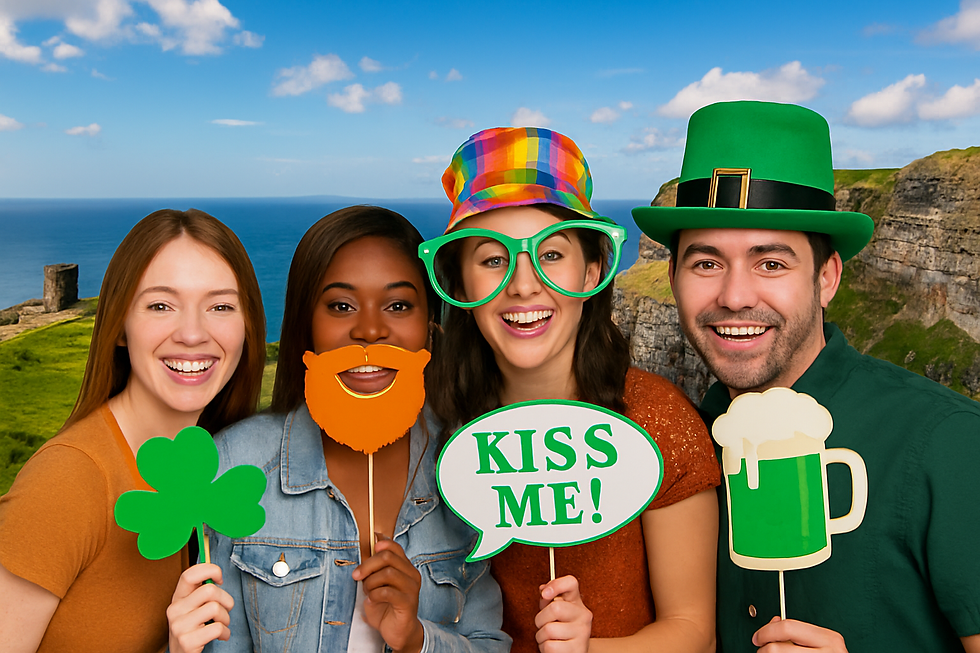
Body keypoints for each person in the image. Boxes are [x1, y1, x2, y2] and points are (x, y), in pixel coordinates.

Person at [632, 100, 980, 653]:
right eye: (706, 263)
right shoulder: (678, 451)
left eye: (771, 263)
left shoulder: (949, 442)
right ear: (671, 276)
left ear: (826, 278)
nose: (735, 296)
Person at [423, 127, 720, 653]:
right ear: (460, 281)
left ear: (594, 269)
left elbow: (694, 632)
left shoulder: (658, 420)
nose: (523, 283)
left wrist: (588, 649)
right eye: (493, 259)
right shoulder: (430, 423)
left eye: (552, 254)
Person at [167, 205, 510, 653]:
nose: (369, 329)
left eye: (399, 305)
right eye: (341, 305)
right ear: (307, 324)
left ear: (430, 326)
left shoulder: (471, 461)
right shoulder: (234, 462)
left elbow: (490, 643)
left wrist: (417, 638)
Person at [0, 208, 266, 653]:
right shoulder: (67, 482)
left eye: (220, 306)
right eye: (161, 305)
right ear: (120, 325)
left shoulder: (225, 470)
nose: (192, 333)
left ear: (247, 326)